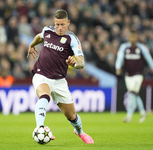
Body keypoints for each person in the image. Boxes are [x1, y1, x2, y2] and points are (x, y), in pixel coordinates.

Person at [27, 9, 94, 144]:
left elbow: (81, 62)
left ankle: (79, 132)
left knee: (72, 116)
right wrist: (31, 45)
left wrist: (74, 64)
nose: (59, 27)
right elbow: (39, 37)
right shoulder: (48, 30)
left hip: (59, 81)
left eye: (62, 24)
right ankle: (40, 128)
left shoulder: (72, 39)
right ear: (54, 23)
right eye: (57, 24)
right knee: (44, 95)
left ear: (68, 23)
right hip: (41, 74)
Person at [115, 28, 153, 123]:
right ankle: (143, 112)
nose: (132, 38)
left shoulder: (142, 47)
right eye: (131, 36)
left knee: (132, 92)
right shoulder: (124, 47)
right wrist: (118, 67)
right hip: (128, 75)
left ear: (137, 37)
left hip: (138, 75)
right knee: (134, 94)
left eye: (134, 36)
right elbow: (119, 58)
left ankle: (129, 116)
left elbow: (149, 59)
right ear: (128, 37)